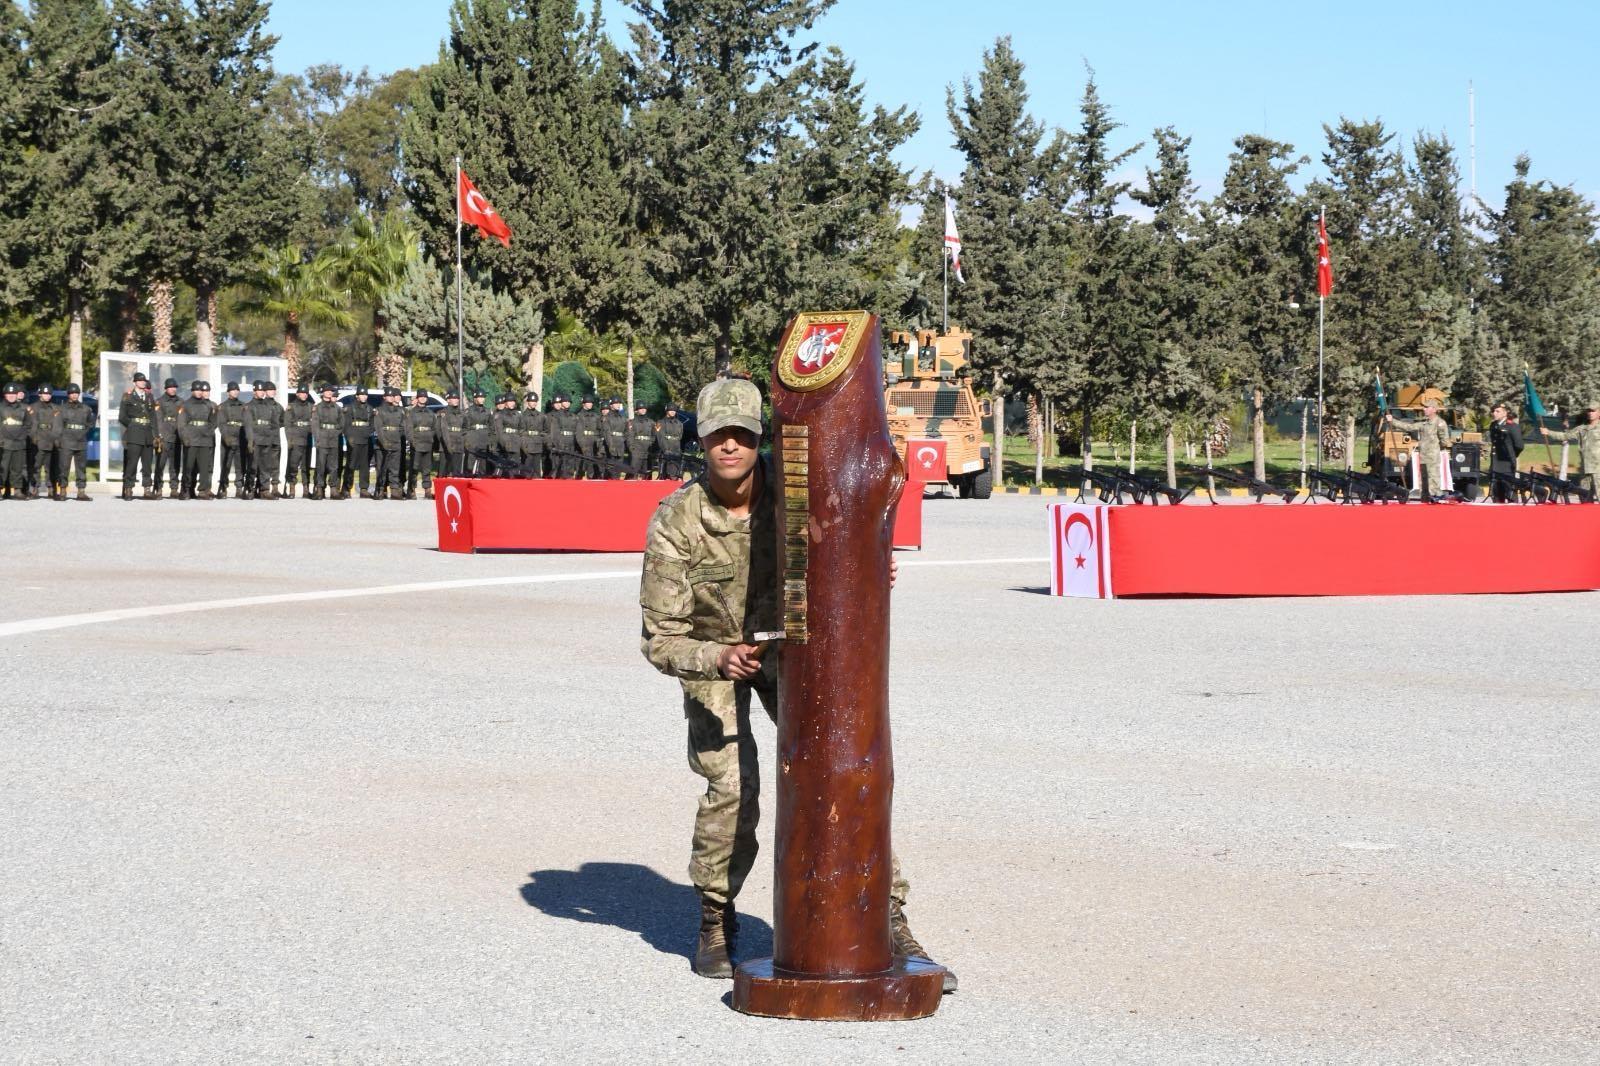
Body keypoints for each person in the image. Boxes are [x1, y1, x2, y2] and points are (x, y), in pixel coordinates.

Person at [638, 377, 950, 987]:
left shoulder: (795, 488)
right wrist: (717, 657)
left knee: (843, 768)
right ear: (701, 441)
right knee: (733, 784)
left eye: (742, 434)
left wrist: (869, 564)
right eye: (718, 436)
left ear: (760, 438)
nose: (730, 446)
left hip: (793, 650)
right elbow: (660, 638)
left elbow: (848, 538)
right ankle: (715, 916)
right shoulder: (676, 520)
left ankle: (884, 914)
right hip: (715, 657)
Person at [1386, 398, 1452, 497]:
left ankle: (1435, 495)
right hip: (1423, 456)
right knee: (1424, 478)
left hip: (1433, 456)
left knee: (1433, 477)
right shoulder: (1424, 423)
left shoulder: (1440, 423)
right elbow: (1409, 427)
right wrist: (1392, 421)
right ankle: (1425, 496)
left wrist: (1436, 448)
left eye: (1427, 407)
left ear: (1434, 409)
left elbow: (1445, 441)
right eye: (1424, 407)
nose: (1424, 409)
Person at [1541, 401, 1600, 496]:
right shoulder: (1582, 429)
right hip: (1585, 469)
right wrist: (1548, 432)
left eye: (1593, 411)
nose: (1590, 413)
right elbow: (1565, 436)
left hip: (1598, 470)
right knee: (1585, 498)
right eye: (1589, 411)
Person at [118, 373, 157, 500]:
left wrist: (156, 435)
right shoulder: (128, 396)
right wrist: (132, 426)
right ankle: (128, 488)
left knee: (147, 464)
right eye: (140, 381)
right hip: (134, 434)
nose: (142, 382)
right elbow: (122, 417)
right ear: (135, 382)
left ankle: (147, 489)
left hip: (147, 434)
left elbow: (153, 417)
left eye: (144, 381)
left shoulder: (149, 396)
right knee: (132, 463)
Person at [178, 380, 218, 499]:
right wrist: (185, 438)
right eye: (197, 390)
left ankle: (203, 490)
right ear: (192, 391)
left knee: (204, 467)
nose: (199, 392)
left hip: (205, 440)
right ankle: (186, 489)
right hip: (191, 439)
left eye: (201, 390)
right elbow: (181, 424)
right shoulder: (186, 405)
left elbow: (213, 421)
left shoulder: (208, 405)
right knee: (189, 466)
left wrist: (209, 432)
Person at [57, 384, 96, 501]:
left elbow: (90, 424)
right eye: (72, 393)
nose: (74, 395)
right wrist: (60, 440)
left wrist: (84, 433)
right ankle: (63, 491)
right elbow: (58, 425)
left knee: (81, 468)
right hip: (66, 441)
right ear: (68, 394)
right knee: (64, 467)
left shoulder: (86, 409)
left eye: (76, 393)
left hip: (81, 442)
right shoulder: (62, 409)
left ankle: (81, 492)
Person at [248, 380, 285, 499]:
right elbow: (248, 424)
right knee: (253, 466)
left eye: (263, 390)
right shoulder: (249, 406)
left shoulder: (271, 407)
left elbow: (275, 423)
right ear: (254, 391)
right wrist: (251, 439)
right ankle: (250, 489)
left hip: (267, 440)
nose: (262, 392)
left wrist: (269, 435)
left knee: (266, 466)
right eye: (259, 390)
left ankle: (265, 490)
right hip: (255, 440)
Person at [216, 382, 252, 499]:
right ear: (228, 392)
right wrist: (226, 437)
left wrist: (248, 439)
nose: (235, 392)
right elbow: (221, 423)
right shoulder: (222, 406)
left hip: (240, 439)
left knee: (240, 465)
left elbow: (247, 423)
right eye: (233, 390)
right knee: (225, 465)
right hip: (227, 439)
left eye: (237, 390)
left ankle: (239, 488)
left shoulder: (244, 406)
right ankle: (223, 487)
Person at [28, 383, 62, 499]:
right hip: (38, 441)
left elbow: (58, 426)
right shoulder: (33, 407)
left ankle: (51, 488)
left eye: (49, 394)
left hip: (51, 441)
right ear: (40, 394)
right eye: (44, 393)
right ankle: (35, 488)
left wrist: (55, 439)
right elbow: (31, 425)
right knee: (36, 466)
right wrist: (34, 438)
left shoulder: (56, 408)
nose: (47, 396)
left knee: (51, 467)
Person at [311, 384, 345, 500]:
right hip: (322, 439)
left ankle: (334, 490)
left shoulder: (337, 408)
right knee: (321, 465)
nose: (330, 392)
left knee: (334, 466)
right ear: (323, 393)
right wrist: (318, 438)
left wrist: (336, 433)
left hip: (333, 440)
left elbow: (342, 423)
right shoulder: (318, 408)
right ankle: (319, 489)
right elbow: (315, 425)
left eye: (331, 391)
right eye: (327, 391)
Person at [340, 386, 375, 499]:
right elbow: (346, 425)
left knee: (365, 465)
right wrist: (349, 438)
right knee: (351, 465)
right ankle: (346, 488)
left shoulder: (370, 409)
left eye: (365, 395)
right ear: (357, 396)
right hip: (354, 440)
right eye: (361, 394)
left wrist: (368, 433)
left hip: (365, 439)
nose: (364, 396)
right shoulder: (350, 408)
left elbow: (372, 425)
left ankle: (364, 489)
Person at [1, 382, 33, 499]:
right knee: (3, 468)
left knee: (17, 468)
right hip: (4, 443)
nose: (11, 396)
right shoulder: (1, 408)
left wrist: (22, 436)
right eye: (9, 394)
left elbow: (28, 425)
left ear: (17, 395)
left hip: (19, 443)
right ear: (5, 395)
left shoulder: (23, 409)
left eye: (13, 394)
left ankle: (18, 490)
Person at [373, 386, 406, 499]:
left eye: (392, 396)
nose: (391, 398)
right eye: (389, 396)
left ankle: (394, 490)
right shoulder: (379, 410)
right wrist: (384, 442)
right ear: (384, 397)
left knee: (395, 468)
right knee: (382, 468)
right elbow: (378, 428)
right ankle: (380, 489)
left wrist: (397, 437)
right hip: (382, 443)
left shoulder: (399, 411)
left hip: (395, 442)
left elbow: (402, 427)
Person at [154, 377, 184, 499]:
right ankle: (158, 488)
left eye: (174, 387)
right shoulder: (159, 401)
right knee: (160, 464)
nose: (173, 389)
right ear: (166, 388)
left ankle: (174, 488)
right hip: (164, 437)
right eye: (171, 387)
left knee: (175, 464)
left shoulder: (181, 402)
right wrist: (160, 435)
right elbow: (158, 420)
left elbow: (183, 419)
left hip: (176, 436)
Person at [283, 383, 315, 498]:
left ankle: (306, 489)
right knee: (293, 465)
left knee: (306, 466)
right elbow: (287, 425)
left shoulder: (311, 406)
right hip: (295, 438)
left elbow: (315, 422)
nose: (304, 395)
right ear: (297, 394)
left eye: (306, 393)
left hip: (307, 437)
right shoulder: (291, 407)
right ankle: (292, 488)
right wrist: (289, 439)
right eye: (302, 393)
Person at [1487, 402, 1524, 502]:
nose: (1494, 413)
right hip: (1495, 465)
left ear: (1505, 413)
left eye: (1497, 411)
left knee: (1510, 494)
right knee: (1497, 497)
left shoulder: (1512, 426)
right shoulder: (1493, 425)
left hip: (1506, 465)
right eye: (1493, 411)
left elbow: (1519, 446)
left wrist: (1511, 455)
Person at [404, 391, 438, 499]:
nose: (423, 398)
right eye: (421, 397)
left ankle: (427, 489)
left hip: (427, 442)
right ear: (417, 398)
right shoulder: (411, 413)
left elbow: (434, 428)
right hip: (416, 442)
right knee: (414, 468)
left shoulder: (431, 413)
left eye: (425, 397)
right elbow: (408, 428)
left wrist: (431, 438)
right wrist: (412, 441)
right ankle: (411, 489)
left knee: (427, 468)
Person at [463, 390, 494, 476]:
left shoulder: (488, 411)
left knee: (483, 464)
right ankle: (469, 477)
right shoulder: (468, 411)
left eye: (483, 397)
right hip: (472, 438)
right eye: (480, 397)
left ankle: (482, 478)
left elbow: (492, 427)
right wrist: (467, 439)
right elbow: (465, 428)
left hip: (484, 439)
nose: (482, 399)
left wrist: (490, 440)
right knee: (470, 463)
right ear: (475, 398)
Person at [437, 390, 466, 477]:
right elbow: (438, 431)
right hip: (445, 445)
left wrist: (463, 440)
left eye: (457, 398)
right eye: (453, 398)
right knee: (443, 471)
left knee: (456, 472)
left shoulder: (462, 413)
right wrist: (444, 443)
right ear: (448, 400)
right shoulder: (443, 413)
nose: (456, 400)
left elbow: (465, 428)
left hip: (458, 445)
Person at [518, 392, 547, 477]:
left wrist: (542, 440)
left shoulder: (541, 416)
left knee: (537, 472)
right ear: (528, 402)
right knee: (527, 472)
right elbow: (521, 432)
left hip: (538, 446)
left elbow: (545, 431)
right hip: (527, 447)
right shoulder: (523, 416)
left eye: (535, 401)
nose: (534, 403)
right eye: (532, 401)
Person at [494, 391, 523, 473]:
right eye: (510, 401)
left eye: (513, 401)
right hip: (505, 443)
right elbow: (499, 431)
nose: (512, 403)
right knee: (506, 469)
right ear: (505, 403)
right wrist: (504, 443)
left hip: (516, 443)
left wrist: (520, 441)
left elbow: (521, 429)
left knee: (515, 467)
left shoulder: (518, 415)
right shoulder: (500, 415)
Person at [550, 394, 578, 478]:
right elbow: (554, 432)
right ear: (561, 403)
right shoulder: (556, 416)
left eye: (569, 401)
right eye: (565, 401)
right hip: (560, 445)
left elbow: (576, 431)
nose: (567, 403)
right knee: (559, 469)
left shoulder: (574, 416)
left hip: (571, 444)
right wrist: (558, 446)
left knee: (570, 469)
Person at [656, 402, 685, 480]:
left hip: (676, 451)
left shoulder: (679, 424)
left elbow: (680, 437)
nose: (673, 412)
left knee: (675, 476)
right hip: (666, 452)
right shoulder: (660, 423)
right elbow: (660, 438)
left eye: (674, 410)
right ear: (666, 411)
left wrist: (678, 450)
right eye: (671, 410)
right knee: (664, 476)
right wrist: (665, 449)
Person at [575, 395, 602, 478]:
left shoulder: (596, 416)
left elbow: (599, 430)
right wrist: (582, 445)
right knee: (581, 468)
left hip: (594, 443)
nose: (590, 404)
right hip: (583, 443)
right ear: (583, 404)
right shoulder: (578, 416)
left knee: (593, 467)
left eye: (591, 403)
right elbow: (578, 433)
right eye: (588, 402)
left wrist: (599, 443)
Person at [627, 401, 655, 479]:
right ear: (637, 410)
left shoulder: (651, 422)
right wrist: (631, 448)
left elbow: (654, 435)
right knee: (633, 472)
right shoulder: (632, 422)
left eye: (644, 408)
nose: (643, 410)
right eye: (640, 408)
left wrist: (651, 445)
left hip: (647, 449)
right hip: (636, 449)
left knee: (647, 474)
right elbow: (629, 436)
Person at [603, 397, 629, 479]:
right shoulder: (607, 417)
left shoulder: (623, 417)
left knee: (619, 466)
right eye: (615, 403)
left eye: (619, 403)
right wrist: (610, 445)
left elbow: (627, 431)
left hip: (620, 444)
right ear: (611, 405)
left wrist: (623, 440)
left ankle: (616, 482)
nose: (618, 405)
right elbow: (607, 433)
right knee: (611, 467)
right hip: (611, 443)